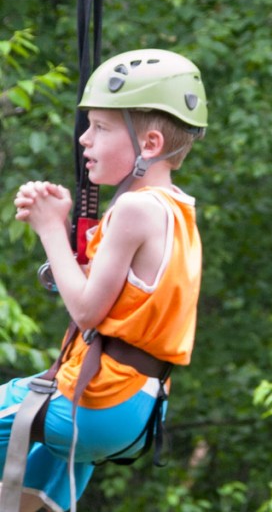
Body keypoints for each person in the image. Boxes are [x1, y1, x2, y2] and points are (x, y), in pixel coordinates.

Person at [2, 49, 207, 511]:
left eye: (101, 128)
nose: (84, 141)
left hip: (95, 398)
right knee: (26, 497)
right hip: (135, 407)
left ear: (150, 144)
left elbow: (87, 310)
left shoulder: (136, 209)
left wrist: (50, 228)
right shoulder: (175, 208)